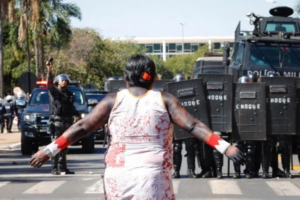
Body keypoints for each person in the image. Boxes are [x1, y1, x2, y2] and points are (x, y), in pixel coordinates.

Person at [30, 55, 245, 199]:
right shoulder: (165, 100)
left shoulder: (111, 101)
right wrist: (225, 147)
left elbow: (82, 127)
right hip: (153, 178)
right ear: (152, 78)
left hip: (117, 177)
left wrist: (49, 150)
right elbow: (193, 125)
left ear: (126, 79)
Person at [46, 59, 80, 175]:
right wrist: (49, 70)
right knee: (55, 145)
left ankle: (63, 168)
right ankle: (54, 168)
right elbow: (49, 84)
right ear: (58, 82)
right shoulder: (54, 92)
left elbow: (71, 108)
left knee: (64, 146)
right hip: (56, 122)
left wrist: (78, 115)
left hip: (67, 122)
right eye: (62, 81)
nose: (64, 82)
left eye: (65, 81)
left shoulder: (70, 94)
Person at [172, 73, 198, 179]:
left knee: (190, 147)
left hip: (187, 122)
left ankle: (191, 170)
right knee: (177, 148)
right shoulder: (171, 94)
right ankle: (176, 170)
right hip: (176, 123)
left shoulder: (190, 92)